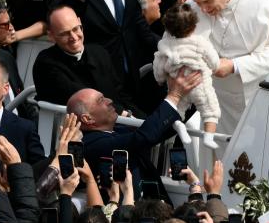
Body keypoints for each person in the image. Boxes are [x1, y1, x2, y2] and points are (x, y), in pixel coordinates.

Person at [186, 0, 269, 134]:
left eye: (208, 1)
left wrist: (235, 66)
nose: (203, 9)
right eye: (198, 3)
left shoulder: (260, 3)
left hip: (255, 100)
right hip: (215, 103)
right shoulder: (194, 7)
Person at [65, 69, 201, 193]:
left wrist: (191, 98)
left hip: (154, 208)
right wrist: (175, 95)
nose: (109, 101)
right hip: (130, 214)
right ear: (87, 119)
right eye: (101, 100)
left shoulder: (117, 130)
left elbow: (158, 132)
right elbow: (143, 137)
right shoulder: (89, 144)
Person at [32, 6, 144, 117]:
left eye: (76, 29)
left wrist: (140, 117)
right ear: (51, 36)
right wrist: (123, 114)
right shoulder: (45, 63)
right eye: (64, 34)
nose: (74, 37)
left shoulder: (99, 53)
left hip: (119, 121)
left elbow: (120, 93)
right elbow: (83, 98)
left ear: (80, 23)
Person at [153, 3, 221, 149]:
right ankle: (208, 137)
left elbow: (158, 66)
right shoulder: (200, 42)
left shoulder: (164, 44)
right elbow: (214, 61)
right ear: (194, 26)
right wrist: (214, 68)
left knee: (175, 111)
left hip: (175, 86)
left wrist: (160, 79)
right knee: (210, 109)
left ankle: (178, 125)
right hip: (199, 83)